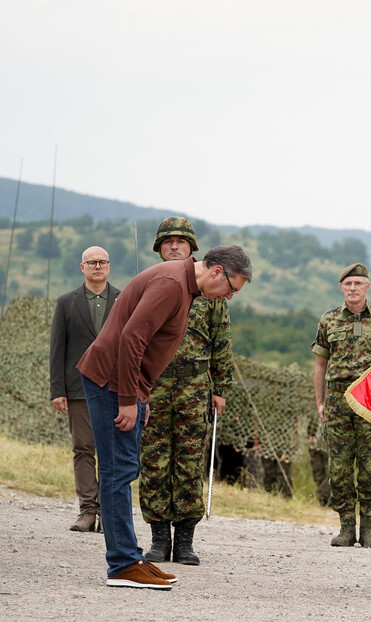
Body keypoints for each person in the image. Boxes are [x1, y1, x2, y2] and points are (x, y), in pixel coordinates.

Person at [77, 245, 252, 590]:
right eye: (232, 288)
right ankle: (123, 565)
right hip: (111, 381)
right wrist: (129, 399)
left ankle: (131, 557)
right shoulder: (172, 284)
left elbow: (148, 345)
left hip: (124, 384)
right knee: (117, 472)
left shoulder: (184, 285)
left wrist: (139, 396)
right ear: (217, 271)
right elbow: (132, 338)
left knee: (123, 469)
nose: (229, 297)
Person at [140, 217, 234, 566]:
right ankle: (159, 539)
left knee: (190, 463)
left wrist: (220, 388)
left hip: (196, 385)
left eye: (181, 241)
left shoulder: (209, 292)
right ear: (159, 248)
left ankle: (185, 542)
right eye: (168, 242)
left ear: (192, 248)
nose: (174, 246)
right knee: (154, 461)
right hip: (155, 383)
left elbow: (222, 342)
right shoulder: (150, 284)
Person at [313, 262, 371, 549]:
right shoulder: (328, 320)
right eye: (348, 284)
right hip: (337, 400)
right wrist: (320, 402)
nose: (352, 289)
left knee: (370, 467)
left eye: (358, 284)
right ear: (341, 288)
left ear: (367, 287)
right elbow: (320, 364)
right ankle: (346, 528)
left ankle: (369, 529)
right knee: (339, 468)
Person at [49, 246, 121, 532]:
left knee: (112, 452)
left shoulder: (124, 299)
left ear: (109, 266)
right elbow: (57, 349)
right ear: (82, 267)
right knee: (83, 449)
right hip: (78, 388)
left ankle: (108, 512)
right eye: (92, 262)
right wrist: (58, 390)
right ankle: (87, 511)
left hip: (116, 387)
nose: (97, 266)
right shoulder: (66, 302)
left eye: (102, 261)